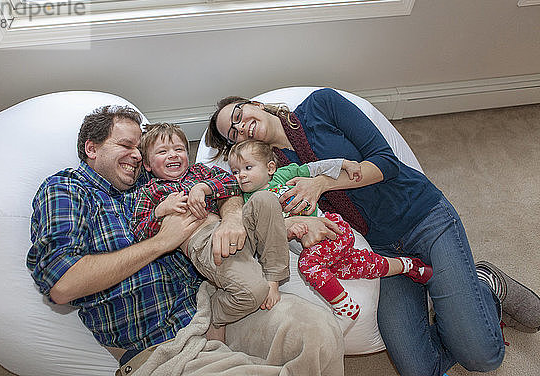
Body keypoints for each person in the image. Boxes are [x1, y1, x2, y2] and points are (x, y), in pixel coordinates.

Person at [205, 88, 540, 376]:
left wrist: (320, 183)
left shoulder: (321, 105)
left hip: (422, 216)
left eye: (237, 115)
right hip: (379, 251)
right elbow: (231, 195)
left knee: (482, 356)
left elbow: (386, 161)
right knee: (420, 368)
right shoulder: (265, 169)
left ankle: (485, 283)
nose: (240, 128)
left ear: (254, 105)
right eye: (232, 134)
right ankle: (453, 298)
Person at [26, 105, 346, 376]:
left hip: (217, 300)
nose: (136, 155)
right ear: (92, 148)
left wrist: (232, 219)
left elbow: (226, 185)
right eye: (126, 145)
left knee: (319, 332)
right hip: (160, 344)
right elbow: (62, 286)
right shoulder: (66, 190)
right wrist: (162, 242)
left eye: (139, 147)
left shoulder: (153, 175)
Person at [227, 139, 432, 322]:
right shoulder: (248, 205)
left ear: (270, 167)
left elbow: (315, 169)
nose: (241, 176)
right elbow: (262, 238)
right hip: (321, 250)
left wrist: (344, 163)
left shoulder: (283, 176)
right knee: (363, 265)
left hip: (331, 229)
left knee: (308, 266)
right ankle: (410, 266)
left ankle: (344, 306)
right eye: (235, 172)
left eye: (247, 167)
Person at [131, 123, 289, 341]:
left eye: (179, 149)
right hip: (205, 244)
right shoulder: (149, 192)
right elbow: (139, 232)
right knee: (253, 293)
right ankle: (214, 314)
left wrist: (203, 188)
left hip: (237, 229)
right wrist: (160, 212)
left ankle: (274, 276)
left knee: (266, 199)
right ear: (148, 165)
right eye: (162, 151)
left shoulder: (201, 171)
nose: (173, 155)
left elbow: (234, 183)